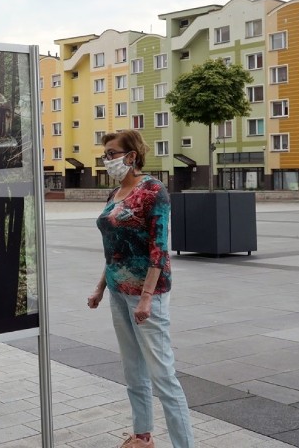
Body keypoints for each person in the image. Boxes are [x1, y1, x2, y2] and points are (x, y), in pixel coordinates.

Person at [87, 130, 194, 448]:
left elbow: (159, 248)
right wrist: (100, 288)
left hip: (148, 294)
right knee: (133, 370)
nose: (107, 160)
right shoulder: (116, 192)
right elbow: (114, 249)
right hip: (119, 291)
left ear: (131, 156)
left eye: (111, 153)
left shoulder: (153, 190)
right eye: (105, 154)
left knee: (163, 376)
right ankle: (143, 436)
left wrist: (146, 299)